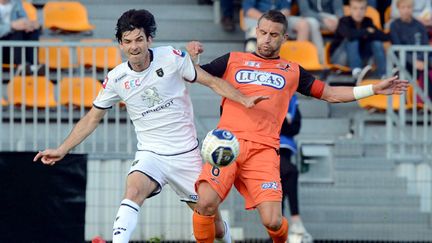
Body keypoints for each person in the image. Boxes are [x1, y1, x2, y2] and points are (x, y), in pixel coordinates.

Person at [33, 9, 267, 243]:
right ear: (121, 44)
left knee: (212, 223)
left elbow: (212, 82)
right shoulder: (116, 78)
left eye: (139, 40)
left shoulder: (172, 57)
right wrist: (62, 149)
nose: (134, 47)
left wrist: (244, 99)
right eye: (127, 41)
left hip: (185, 155)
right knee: (133, 190)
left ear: (149, 40)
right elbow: (92, 118)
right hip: (151, 154)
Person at [186, 9, 408, 242]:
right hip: (228, 146)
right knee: (205, 203)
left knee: (272, 221)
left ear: (284, 38)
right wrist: (193, 58)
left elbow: (330, 93)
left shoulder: (292, 71)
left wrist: (372, 88)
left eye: (274, 34)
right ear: (256, 32)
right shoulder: (233, 59)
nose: (267, 38)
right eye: (263, 32)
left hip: (263, 150)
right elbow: (196, 74)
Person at [242, 0, 325, 64]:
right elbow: (249, 10)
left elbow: (286, 9)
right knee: (256, 32)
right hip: (256, 18)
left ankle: (299, 62)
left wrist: (278, 19)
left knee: (304, 24)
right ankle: (252, 62)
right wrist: (268, 20)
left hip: (278, 19)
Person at [279, 94, 312, 243]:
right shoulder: (266, 88)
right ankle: (295, 221)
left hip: (286, 150)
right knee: (291, 173)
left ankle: (281, 231)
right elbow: (272, 124)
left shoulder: (291, 97)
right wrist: (286, 122)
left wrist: (285, 122)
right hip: (268, 148)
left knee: (281, 189)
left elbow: (295, 127)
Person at [329, 0, 389, 80]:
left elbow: (383, 36)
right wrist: (366, 31)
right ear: (350, 9)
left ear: (365, 10)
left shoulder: (368, 21)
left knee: (376, 42)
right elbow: (350, 35)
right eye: (355, 8)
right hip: (340, 58)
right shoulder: (343, 21)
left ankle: (384, 74)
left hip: (361, 57)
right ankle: (356, 71)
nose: (358, 12)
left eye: (362, 8)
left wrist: (368, 33)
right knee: (353, 40)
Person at [390, 0, 432, 103]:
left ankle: (425, 103)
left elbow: (425, 46)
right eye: (403, 7)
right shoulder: (394, 25)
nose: (406, 10)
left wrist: (421, 61)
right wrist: (413, 61)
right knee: (402, 69)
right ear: (398, 8)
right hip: (404, 63)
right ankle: (418, 102)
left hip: (422, 62)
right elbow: (397, 49)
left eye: (409, 7)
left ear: (413, 8)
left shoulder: (420, 26)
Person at [0, 0, 41, 73]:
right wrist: (11, 26)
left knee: (32, 31)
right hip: (2, 46)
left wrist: (30, 25)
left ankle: (33, 65)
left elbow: (24, 18)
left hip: (14, 44)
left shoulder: (16, 2)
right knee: (16, 31)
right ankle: (21, 65)